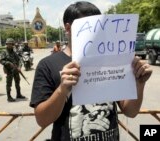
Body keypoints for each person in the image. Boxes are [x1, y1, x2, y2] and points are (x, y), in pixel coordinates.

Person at [30, 2, 153, 141]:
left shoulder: (111, 62)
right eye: (88, 25)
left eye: (99, 26)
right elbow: (42, 119)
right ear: (68, 28)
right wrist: (62, 90)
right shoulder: (47, 65)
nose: (95, 32)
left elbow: (130, 111)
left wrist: (139, 83)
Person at [0, 38, 26, 102]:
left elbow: (19, 60)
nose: (9, 45)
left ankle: (18, 94)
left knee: (17, 82)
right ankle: (9, 97)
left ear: (12, 44)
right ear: (6, 44)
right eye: (8, 44)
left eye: (11, 44)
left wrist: (19, 67)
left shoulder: (14, 52)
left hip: (15, 70)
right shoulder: (4, 52)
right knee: (9, 84)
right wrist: (8, 63)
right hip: (9, 71)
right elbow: (1, 60)